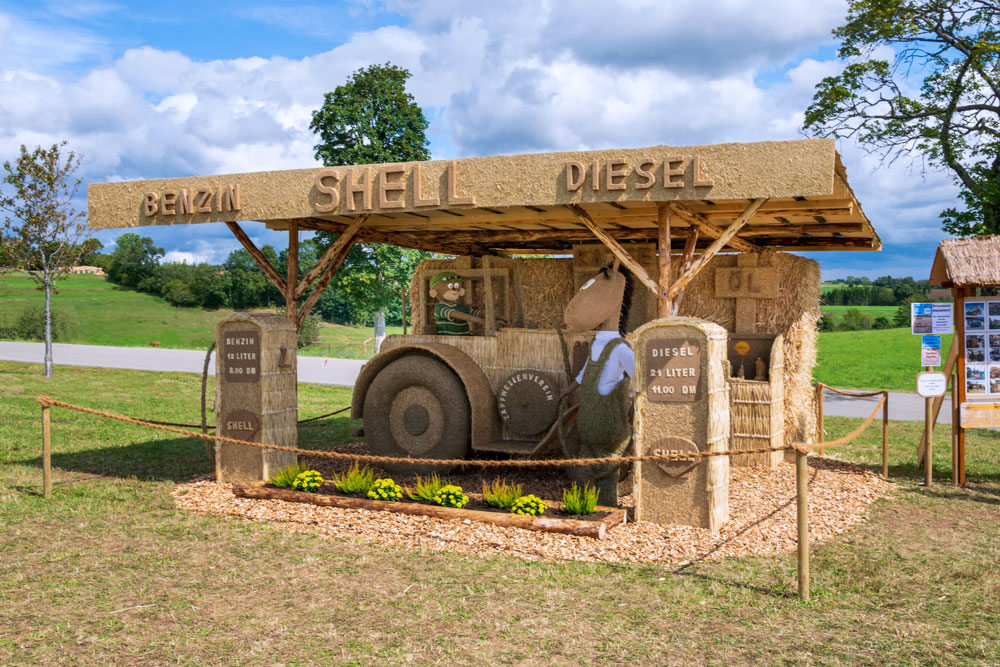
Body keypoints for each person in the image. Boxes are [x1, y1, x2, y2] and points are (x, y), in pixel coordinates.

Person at [428, 271, 505, 335]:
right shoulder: (439, 308)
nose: (454, 290)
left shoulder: (461, 307)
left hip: (465, 338)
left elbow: (478, 314)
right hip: (448, 341)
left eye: (456, 286)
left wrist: (498, 317)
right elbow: (458, 315)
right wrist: (482, 321)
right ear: (434, 293)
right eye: (451, 287)